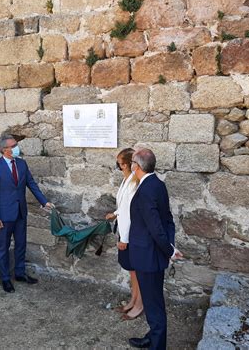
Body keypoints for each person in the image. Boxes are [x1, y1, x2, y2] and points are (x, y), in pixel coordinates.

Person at [127, 148, 183, 350]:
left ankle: (157, 346)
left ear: (138, 166)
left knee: (154, 304)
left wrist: (169, 250)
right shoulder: (157, 184)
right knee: (153, 301)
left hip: (148, 257)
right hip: (154, 253)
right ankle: (152, 336)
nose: (130, 165)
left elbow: (156, 226)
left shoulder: (146, 190)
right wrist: (169, 246)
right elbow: (168, 220)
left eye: (132, 161)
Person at [0, 133, 54, 293]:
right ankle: (5, 279)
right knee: (3, 247)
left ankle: (19, 273)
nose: (17, 148)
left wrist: (44, 201)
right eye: (14, 146)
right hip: (4, 215)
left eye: (16, 145)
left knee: (21, 244)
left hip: (20, 212)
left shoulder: (22, 164)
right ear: (5, 150)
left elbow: (31, 184)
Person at [105, 148, 143, 320]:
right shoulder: (127, 180)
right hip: (124, 229)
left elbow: (129, 211)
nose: (119, 166)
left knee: (136, 270)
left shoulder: (134, 182)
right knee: (131, 269)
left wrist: (124, 239)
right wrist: (115, 213)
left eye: (120, 163)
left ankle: (139, 304)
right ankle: (133, 299)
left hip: (130, 233)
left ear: (127, 164)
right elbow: (123, 206)